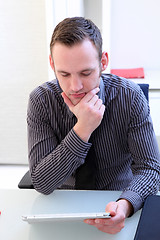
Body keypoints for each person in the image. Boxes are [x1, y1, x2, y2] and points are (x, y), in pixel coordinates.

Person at [27, 17, 160, 234]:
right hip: (61, 207)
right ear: (52, 64)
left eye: (86, 73)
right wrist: (83, 129)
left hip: (117, 198)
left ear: (103, 62)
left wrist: (125, 205)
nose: (75, 86)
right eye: (64, 74)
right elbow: (41, 182)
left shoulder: (130, 97)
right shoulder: (41, 100)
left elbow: (150, 169)